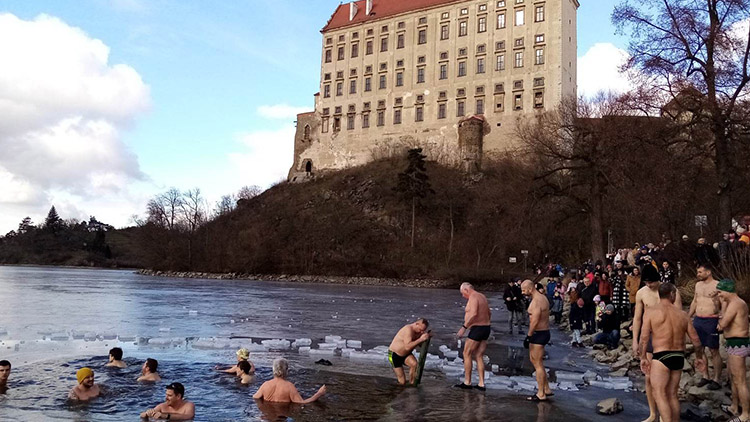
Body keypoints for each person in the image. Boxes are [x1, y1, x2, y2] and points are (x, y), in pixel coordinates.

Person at [639, 283, 706, 422]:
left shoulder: (651, 312)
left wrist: (643, 357)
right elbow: (696, 340)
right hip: (678, 356)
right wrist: (699, 357)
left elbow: (644, 338)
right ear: (671, 294)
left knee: (659, 394)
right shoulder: (682, 315)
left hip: (661, 356)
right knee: (672, 394)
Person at [632, 264, 683, 422]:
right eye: (646, 282)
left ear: (658, 279)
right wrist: (635, 341)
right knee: (648, 378)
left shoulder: (671, 291)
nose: (649, 285)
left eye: (651, 282)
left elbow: (679, 316)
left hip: (667, 338)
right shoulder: (642, 293)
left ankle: (665, 416)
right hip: (649, 336)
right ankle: (653, 413)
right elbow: (638, 318)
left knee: (666, 381)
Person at [716, 279, 750, 422]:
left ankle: (746, 415)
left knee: (740, 380)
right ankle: (734, 407)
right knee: (734, 378)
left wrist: (721, 316)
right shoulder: (736, 303)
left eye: (720, 292)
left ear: (727, 291)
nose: (719, 295)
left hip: (738, 343)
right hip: (733, 343)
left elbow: (722, 324)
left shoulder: (735, 304)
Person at [688, 264, 724, 391]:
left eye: (700, 272)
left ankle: (717, 379)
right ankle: (705, 375)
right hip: (698, 319)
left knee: (714, 350)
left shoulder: (717, 285)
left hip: (711, 319)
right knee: (699, 348)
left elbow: (724, 302)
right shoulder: (698, 285)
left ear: (708, 272)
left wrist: (722, 319)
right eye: (698, 272)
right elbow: (695, 301)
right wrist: (688, 317)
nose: (698, 274)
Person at [456, 282, 492, 391]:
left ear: (467, 290)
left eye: (463, 293)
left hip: (478, 328)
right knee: (479, 355)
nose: (463, 296)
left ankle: (467, 382)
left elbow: (473, 314)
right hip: (486, 327)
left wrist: (464, 327)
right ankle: (481, 383)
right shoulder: (482, 296)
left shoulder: (473, 297)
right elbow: (489, 312)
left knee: (466, 353)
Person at [521, 279, 552, 402]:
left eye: (524, 290)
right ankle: (547, 388)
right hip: (543, 332)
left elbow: (534, 320)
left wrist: (528, 336)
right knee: (535, 361)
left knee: (537, 364)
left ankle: (541, 394)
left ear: (530, 288)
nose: (523, 293)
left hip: (539, 333)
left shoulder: (536, 302)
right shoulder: (542, 297)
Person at [253, 358, 326, 403]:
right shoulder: (289, 386)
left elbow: (255, 397)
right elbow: (302, 403)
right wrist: (319, 393)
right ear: (286, 370)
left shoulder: (265, 384)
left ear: (273, 370)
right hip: (282, 416)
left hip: (268, 416)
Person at [388, 318, 430, 385]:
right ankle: (399, 391)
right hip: (394, 354)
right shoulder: (408, 329)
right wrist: (421, 339)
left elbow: (420, 345)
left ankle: (412, 383)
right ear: (417, 324)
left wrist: (427, 338)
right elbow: (407, 347)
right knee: (402, 381)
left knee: (414, 364)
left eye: (423, 331)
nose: (421, 332)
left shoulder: (418, 332)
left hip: (406, 355)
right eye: (420, 330)